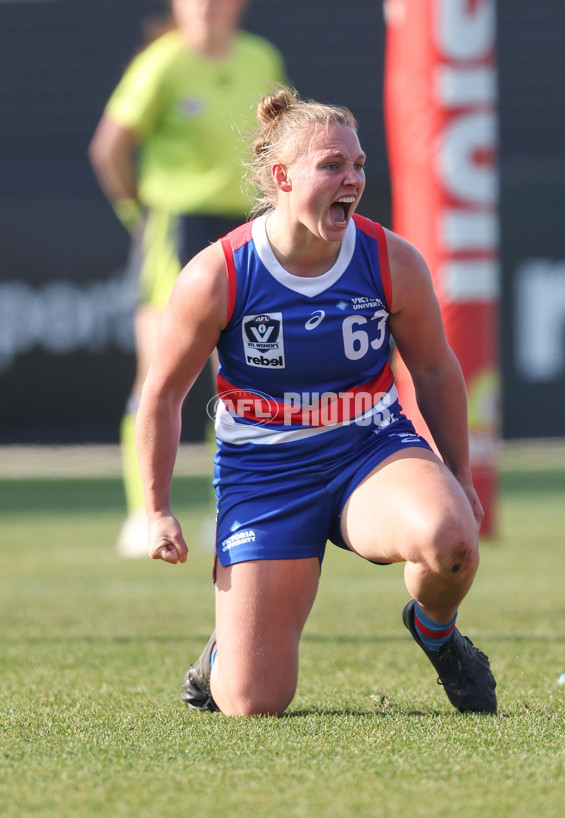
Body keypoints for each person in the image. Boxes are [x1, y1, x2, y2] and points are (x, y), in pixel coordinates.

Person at [135, 88, 497, 717]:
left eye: (358, 165)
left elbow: (436, 368)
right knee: (252, 702)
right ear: (281, 177)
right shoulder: (218, 274)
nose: (352, 179)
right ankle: (227, 647)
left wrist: (460, 475)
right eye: (332, 166)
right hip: (265, 474)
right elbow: (163, 395)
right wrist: (158, 509)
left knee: (452, 540)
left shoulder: (391, 260)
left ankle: (438, 633)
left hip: (370, 451)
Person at [88, 0, 285, 557]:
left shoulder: (261, 56)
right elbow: (109, 148)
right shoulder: (162, 63)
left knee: (248, 373)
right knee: (160, 369)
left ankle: (237, 506)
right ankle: (143, 511)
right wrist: (140, 215)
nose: (207, 7)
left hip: (247, 225)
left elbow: (284, 140)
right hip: (177, 224)